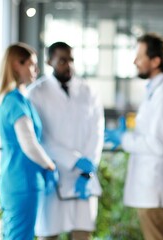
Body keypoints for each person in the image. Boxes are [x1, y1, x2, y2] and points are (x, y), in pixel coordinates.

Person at [105, 33, 163, 240]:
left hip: (155, 184)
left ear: (156, 61)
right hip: (149, 185)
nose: (134, 61)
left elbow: (158, 144)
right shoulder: (156, 89)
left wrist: (124, 139)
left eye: (139, 56)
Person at [27, 41, 104, 240]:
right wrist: (72, 159)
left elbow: (97, 131)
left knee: (82, 234)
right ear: (49, 61)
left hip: (84, 178)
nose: (68, 65)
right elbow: (39, 137)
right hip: (54, 174)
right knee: (49, 234)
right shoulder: (36, 93)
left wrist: (87, 166)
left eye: (71, 60)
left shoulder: (88, 91)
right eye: (62, 60)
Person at [0, 43, 57, 239]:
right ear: (16, 65)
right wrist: (50, 166)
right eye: (31, 65)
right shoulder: (15, 101)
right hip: (23, 181)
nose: (36, 70)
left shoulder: (15, 99)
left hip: (17, 179)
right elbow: (29, 143)